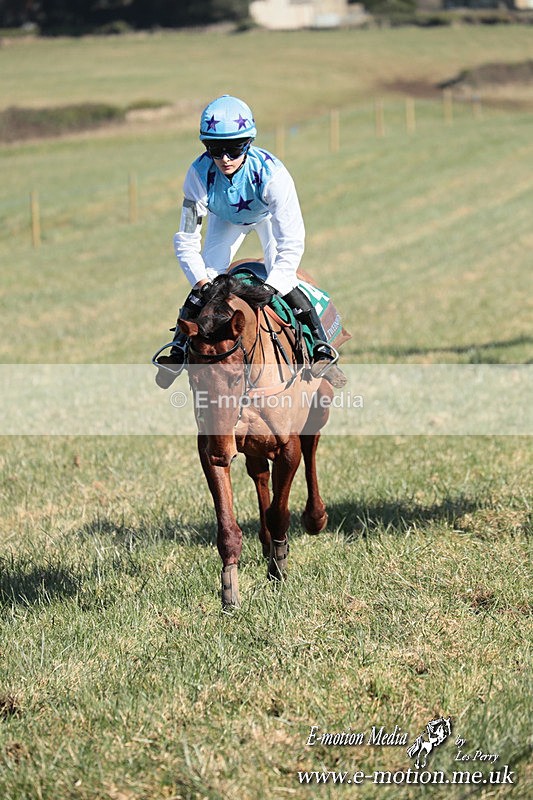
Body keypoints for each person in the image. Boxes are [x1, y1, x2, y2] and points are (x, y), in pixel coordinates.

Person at [155, 94, 346, 389]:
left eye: (234, 148)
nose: (225, 159)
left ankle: (320, 348)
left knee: (283, 279)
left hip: (267, 217)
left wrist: (272, 286)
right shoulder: (197, 174)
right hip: (225, 220)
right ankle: (179, 348)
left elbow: (292, 241)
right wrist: (202, 283)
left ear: (248, 144)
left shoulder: (273, 176)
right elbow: (186, 239)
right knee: (207, 280)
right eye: (215, 149)